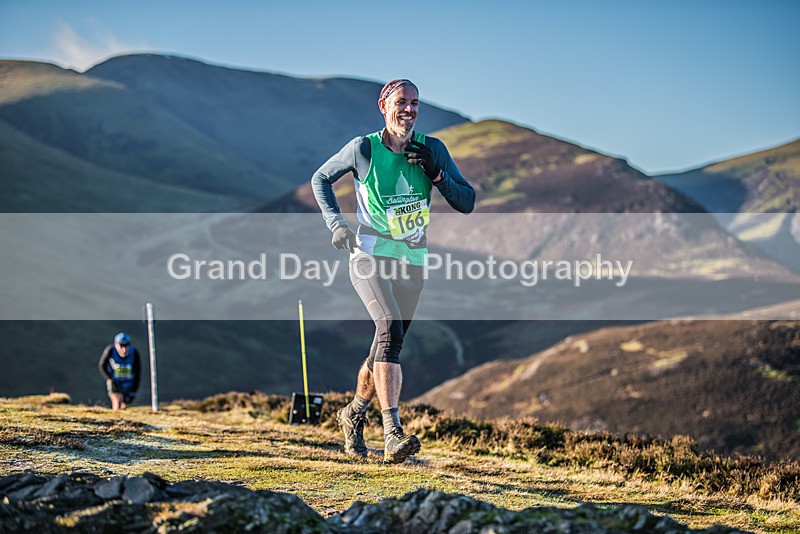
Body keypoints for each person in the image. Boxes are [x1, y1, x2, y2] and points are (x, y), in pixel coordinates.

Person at [312, 79, 475, 463]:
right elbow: (320, 178)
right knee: (389, 329)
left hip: (412, 259)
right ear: (383, 106)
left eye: (415, 103)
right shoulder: (363, 148)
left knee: (386, 345)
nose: (409, 109)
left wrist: (437, 175)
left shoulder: (433, 149)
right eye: (402, 102)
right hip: (369, 252)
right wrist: (336, 224)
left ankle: (353, 414)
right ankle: (392, 433)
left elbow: (467, 201)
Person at [98, 332, 141, 410]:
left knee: (125, 406)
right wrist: (110, 378)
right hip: (115, 383)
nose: (124, 350)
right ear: (116, 345)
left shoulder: (134, 353)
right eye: (121, 346)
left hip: (129, 384)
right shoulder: (110, 351)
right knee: (117, 402)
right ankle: (115, 413)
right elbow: (102, 365)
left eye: (126, 346)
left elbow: (137, 372)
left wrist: (134, 390)